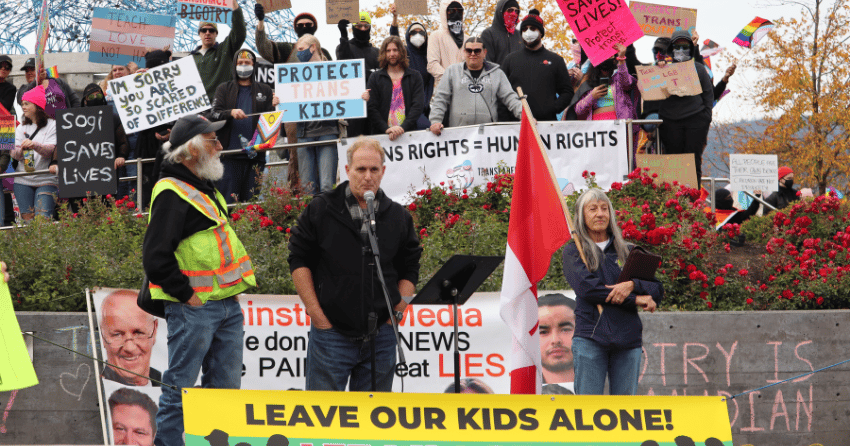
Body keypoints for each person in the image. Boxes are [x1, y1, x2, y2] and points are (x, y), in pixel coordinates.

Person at [143, 114, 256, 446]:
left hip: (223, 306)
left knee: (225, 392)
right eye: (213, 140)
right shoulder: (172, 191)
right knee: (180, 390)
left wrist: (227, 294)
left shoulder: (202, 187)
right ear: (192, 150)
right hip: (194, 308)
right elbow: (156, 258)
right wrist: (187, 296)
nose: (220, 146)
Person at [288, 137, 422, 392]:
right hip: (331, 335)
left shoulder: (398, 216)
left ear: (383, 171)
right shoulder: (321, 209)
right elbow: (298, 259)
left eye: (374, 169)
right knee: (323, 413)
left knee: (374, 414)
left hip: (382, 337)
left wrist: (398, 311)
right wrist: (316, 315)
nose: (368, 176)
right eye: (361, 169)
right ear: (348, 170)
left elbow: (410, 267)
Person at [562, 188, 662, 395]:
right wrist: (636, 299)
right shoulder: (574, 250)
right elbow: (589, 290)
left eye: (604, 208)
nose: (600, 214)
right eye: (593, 209)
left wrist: (632, 285)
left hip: (628, 339)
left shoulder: (629, 251)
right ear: (581, 216)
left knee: (625, 409)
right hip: (590, 338)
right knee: (588, 408)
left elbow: (657, 288)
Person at [210, 49, 279, 203]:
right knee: (228, 202)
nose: (243, 65)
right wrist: (230, 112)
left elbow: (270, 120)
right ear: (234, 65)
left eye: (247, 62)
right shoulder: (224, 89)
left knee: (251, 203)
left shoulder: (265, 90)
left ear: (254, 65)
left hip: (256, 156)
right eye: (240, 62)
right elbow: (213, 113)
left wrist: (275, 106)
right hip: (229, 156)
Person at [429, 37, 522, 135]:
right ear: (464, 52)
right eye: (469, 51)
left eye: (477, 51)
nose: (472, 54)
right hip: (458, 133)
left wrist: (524, 116)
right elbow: (441, 98)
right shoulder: (452, 71)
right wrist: (435, 121)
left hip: (488, 133)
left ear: (484, 52)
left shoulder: (497, 73)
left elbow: (510, 98)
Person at [658, 30, 714, 182]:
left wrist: (706, 117)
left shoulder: (699, 68)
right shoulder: (664, 70)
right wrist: (660, 69)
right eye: (677, 47)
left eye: (684, 46)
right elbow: (654, 91)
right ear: (671, 49)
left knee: (693, 161)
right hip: (670, 122)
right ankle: (674, 196)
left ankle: (692, 195)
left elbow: (708, 94)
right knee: (673, 162)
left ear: (690, 48)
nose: (681, 50)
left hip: (696, 120)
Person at [501, 10, 572, 122]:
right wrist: (506, 120)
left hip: (547, 124)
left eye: (533, 29)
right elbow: (501, 92)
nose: (528, 32)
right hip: (516, 124)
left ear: (541, 32)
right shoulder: (510, 60)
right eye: (524, 29)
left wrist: (552, 109)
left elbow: (567, 92)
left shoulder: (556, 60)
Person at [9, 85, 57, 221]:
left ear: (37, 105)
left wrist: (34, 145)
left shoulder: (52, 125)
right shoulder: (21, 127)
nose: (23, 107)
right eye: (22, 104)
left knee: (43, 219)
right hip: (22, 180)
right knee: (28, 221)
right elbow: (14, 154)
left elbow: (50, 151)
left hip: (46, 179)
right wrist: (21, 150)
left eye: (26, 104)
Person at [366, 36, 425, 141]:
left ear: (401, 52)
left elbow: (418, 106)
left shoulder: (415, 76)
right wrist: (386, 129)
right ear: (384, 53)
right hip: (381, 135)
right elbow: (371, 107)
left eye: (395, 50)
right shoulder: (375, 77)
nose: (392, 54)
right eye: (388, 51)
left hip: (409, 134)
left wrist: (403, 128)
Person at [99, 289, 160, 386]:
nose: (130, 348)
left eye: (139, 333)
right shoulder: (99, 387)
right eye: (117, 334)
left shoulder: (168, 382)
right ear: (103, 335)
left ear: (155, 330)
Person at [388, 8, 434, 129]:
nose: (418, 35)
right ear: (408, 35)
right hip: (403, 107)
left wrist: (424, 104)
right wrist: (395, 18)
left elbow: (429, 85)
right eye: (414, 32)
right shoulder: (404, 53)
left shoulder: (430, 56)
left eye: (421, 32)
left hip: (423, 107)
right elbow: (394, 39)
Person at [189, 5, 247, 101]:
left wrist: (235, 7)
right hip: (198, 106)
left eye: (211, 30)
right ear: (199, 33)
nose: (207, 33)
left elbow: (239, 33)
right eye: (203, 30)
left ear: (216, 33)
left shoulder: (226, 49)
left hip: (221, 105)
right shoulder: (190, 58)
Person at [336, 12, 379, 137]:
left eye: (366, 26)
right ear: (353, 28)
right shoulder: (344, 47)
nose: (363, 29)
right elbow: (344, 64)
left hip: (374, 105)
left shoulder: (376, 52)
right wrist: (343, 35)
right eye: (359, 26)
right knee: (356, 142)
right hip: (354, 106)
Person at [254, 6, 332, 63]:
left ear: (314, 27)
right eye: (300, 25)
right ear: (296, 28)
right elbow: (264, 48)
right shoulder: (287, 49)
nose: (304, 27)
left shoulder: (324, 52)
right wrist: (261, 21)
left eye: (308, 25)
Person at [428, 0, 467, 90]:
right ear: (444, 12)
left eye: (459, 11)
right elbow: (432, 65)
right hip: (445, 89)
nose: (456, 14)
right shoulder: (436, 36)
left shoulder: (467, 39)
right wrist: (450, 79)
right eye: (452, 11)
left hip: (466, 90)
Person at [538, 293, 576, 385]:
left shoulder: (609, 387)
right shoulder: (519, 391)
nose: (555, 340)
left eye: (565, 329)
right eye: (543, 332)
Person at [480, 0, 522, 66]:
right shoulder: (488, 34)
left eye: (516, 11)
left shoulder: (520, 35)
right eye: (510, 10)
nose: (513, 14)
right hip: (496, 72)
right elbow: (487, 63)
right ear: (501, 12)